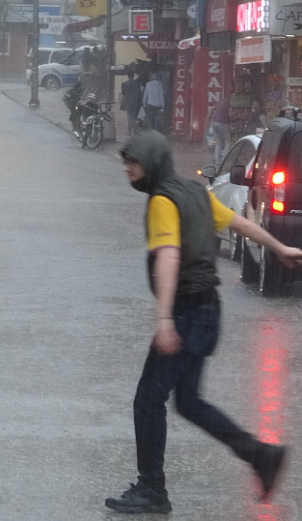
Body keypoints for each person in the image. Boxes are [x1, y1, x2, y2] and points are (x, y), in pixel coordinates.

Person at [106, 130, 301, 515]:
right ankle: (261, 455)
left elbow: (169, 256)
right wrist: (278, 247)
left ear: (152, 163)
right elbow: (238, 224)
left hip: (186, 313)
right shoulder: (195, 191)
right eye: (126, 163)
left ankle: (152, 490)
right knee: (189, 401)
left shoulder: (164, 199)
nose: (127, 169)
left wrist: (163, 318)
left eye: (133, 162)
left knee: (148, 399)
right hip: (208, 311)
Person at [208, 94, 232, 167]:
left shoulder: (219, 103)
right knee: (228, 142)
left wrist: (209, 120)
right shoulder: (229, 103)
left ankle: (217, 161)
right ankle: (224, 161)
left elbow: (211, 110)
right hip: (223, 124)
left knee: (218, 143)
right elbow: (230, 114)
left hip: (215, 123)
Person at [120, 72, 143, 137]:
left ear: (128, 76)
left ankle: (130, 130)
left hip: (128, 101)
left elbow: (123, 93)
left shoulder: (124, 84)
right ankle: (133, 130)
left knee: (129, 115)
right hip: (136, 101)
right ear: (133, 76)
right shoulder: (137, 84)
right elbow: (139, 92)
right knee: (134, 116)